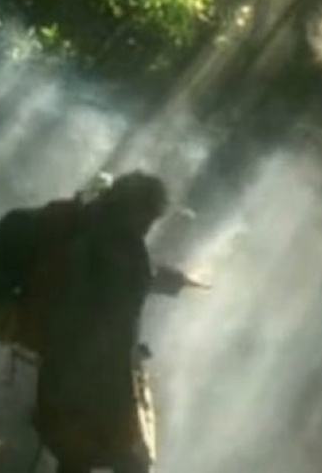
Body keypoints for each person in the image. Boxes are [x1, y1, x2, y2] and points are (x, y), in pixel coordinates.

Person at [29, 171, 204, 473]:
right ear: (134, 208)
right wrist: (164, 280)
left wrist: (166, 280)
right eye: (149, 216)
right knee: (127, 458)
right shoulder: (113, 240)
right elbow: (118, 287)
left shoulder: (95, 230)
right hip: (97, 373)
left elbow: (116, 283)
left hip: (68, 369)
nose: (149, 225)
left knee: (77, 456)